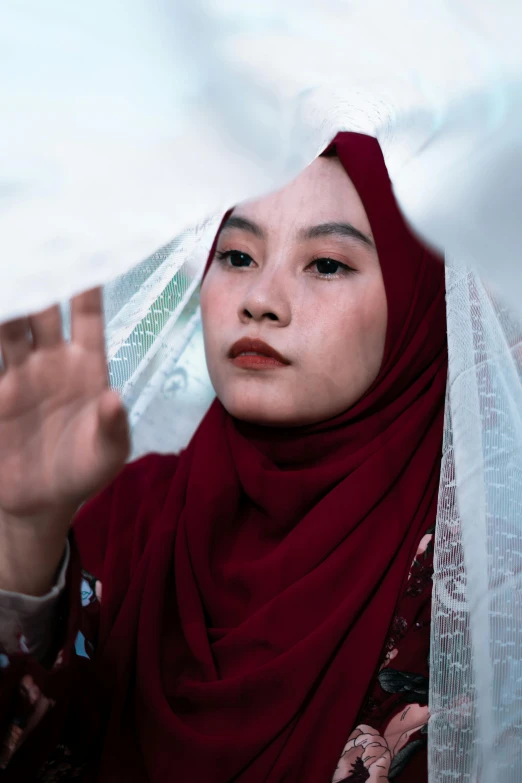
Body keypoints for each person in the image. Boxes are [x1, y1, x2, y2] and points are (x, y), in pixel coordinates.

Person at [0, 133, 447, 782]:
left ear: (416, 307)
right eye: (237, 255)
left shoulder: (469, 564)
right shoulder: (128, 513)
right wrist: (25, 534)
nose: (259, 299)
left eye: (326, 264)